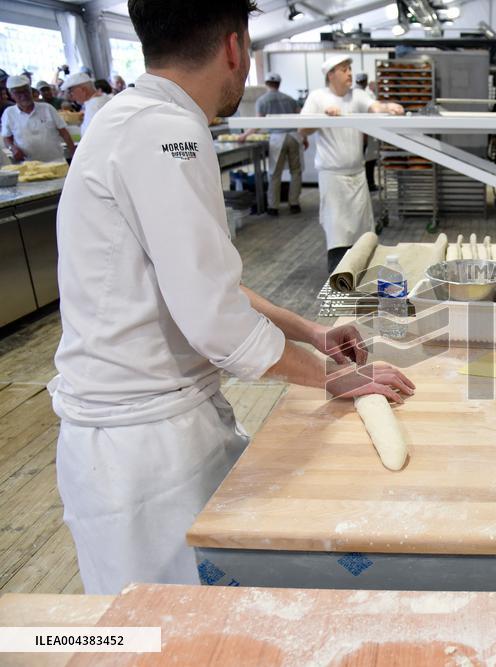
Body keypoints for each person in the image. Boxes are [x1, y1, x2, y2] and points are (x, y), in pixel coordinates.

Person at [50, 0, 415, 595]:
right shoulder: (168, 133)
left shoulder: (126, 118)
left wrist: (312, 332)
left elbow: (199, 283)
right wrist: (334, 378)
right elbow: (217, 323)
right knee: (162, 637)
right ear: (233, 47)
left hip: (156, 428)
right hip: (144, 450)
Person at [299, 55, 404, 273]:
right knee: (337, 232)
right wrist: (322, 116)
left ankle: (364, 274)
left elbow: (373, 106)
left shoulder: (357, 95)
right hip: (333, 178)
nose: (350, 74)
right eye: (344, 69)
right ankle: (339, 279)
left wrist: (388, 107)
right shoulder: (318, 97)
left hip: (357, 177)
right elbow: (303, 130)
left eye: (350, 69)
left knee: (363, 232)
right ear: (331, 75)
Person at [238, 71, 304, 216]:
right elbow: (301, 120)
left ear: (267, 84)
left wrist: (244, 135)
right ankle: (294, 204)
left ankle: (273, 207)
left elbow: (258, 123)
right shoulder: (290, 99)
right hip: (293, 136)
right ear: (279, 84)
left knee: (275, 173)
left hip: (277, 139)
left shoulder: (262, 101)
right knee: (296, 172)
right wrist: (303, 137)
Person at [1, 74, 75, 163]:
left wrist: (75, 155)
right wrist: (12, 148)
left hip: (56, 161)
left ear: (30, 91)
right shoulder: (9, 113)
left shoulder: (47, 108)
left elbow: (64, 133)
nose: (23, 95)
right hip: (29, 165)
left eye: (26, 91)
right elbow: (7, 137)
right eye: (18, 93)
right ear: (11, 95)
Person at [62, 72, 112, 137]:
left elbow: (93, 135)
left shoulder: (94, 105)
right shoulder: (100, 99)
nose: (73, 97)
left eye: (72, 93)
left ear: (83, 90)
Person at [356, 73, 379, 192]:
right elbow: (363, 116)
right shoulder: (362, 94)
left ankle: (368, 184)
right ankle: (369, 184)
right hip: (365, 133)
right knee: (368, 160)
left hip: (366, 132)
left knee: (367, 159)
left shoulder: (362, 93)